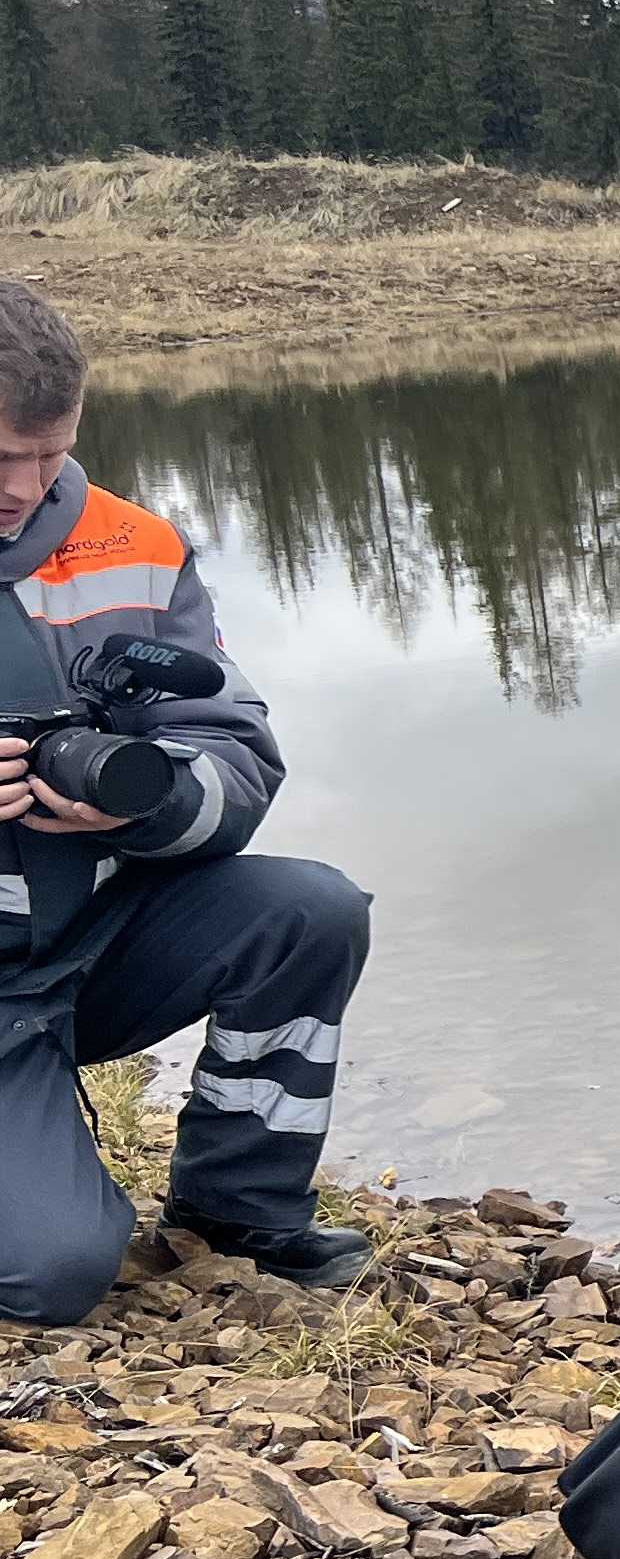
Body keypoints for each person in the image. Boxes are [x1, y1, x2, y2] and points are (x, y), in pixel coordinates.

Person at [0, 279, 372, 1322]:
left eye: (51, 453)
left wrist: (146, 807)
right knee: (59, 1271)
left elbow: (239, 756)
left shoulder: (134, 546)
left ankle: (239, 1212)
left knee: (310, 909)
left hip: (91, 944)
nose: (24, 488)